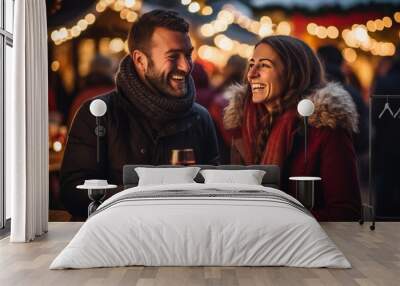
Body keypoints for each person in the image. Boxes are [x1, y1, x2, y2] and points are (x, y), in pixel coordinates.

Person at [60, 10, 220, 219]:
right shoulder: (99, 113)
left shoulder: (201, 118)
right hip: (118, 242)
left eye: (188, 54)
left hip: (184, 240)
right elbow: (74, 194)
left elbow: (215, 192)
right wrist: (150, 196)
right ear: (140, 60)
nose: (186, 66)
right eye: (173, 56)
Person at [223, 35, 361, 221]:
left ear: (293, 73)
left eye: (264, 65)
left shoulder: (324, 129)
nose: (251, 74)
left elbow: (345, 212)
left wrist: (277, 220)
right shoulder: (244, 123)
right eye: (251, 64)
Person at [317, 45, 368, 155]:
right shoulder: (353, 93)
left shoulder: (311, 90)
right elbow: (363, 134)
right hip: (350, 156)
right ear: (341, 63)